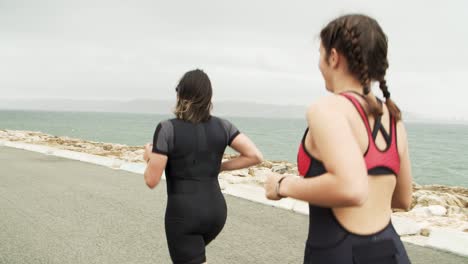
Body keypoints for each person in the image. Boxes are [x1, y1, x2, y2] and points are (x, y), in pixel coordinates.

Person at [265, 14, 413, 264]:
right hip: (392, 253)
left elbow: (351, 189)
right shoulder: (393, 116)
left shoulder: (327, 109)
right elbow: (402, 199)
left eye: (321, 54)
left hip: (337, 254)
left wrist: (282, 185)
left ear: (333, 57)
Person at [143, 69, 263, 264]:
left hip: (184, 216)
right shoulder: (224, 126)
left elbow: (151, 180)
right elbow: (255, 155)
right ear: (208, 98)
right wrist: (219, 166)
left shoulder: (167, 129)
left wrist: (149, 156)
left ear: (181, 95)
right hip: (216, 213)